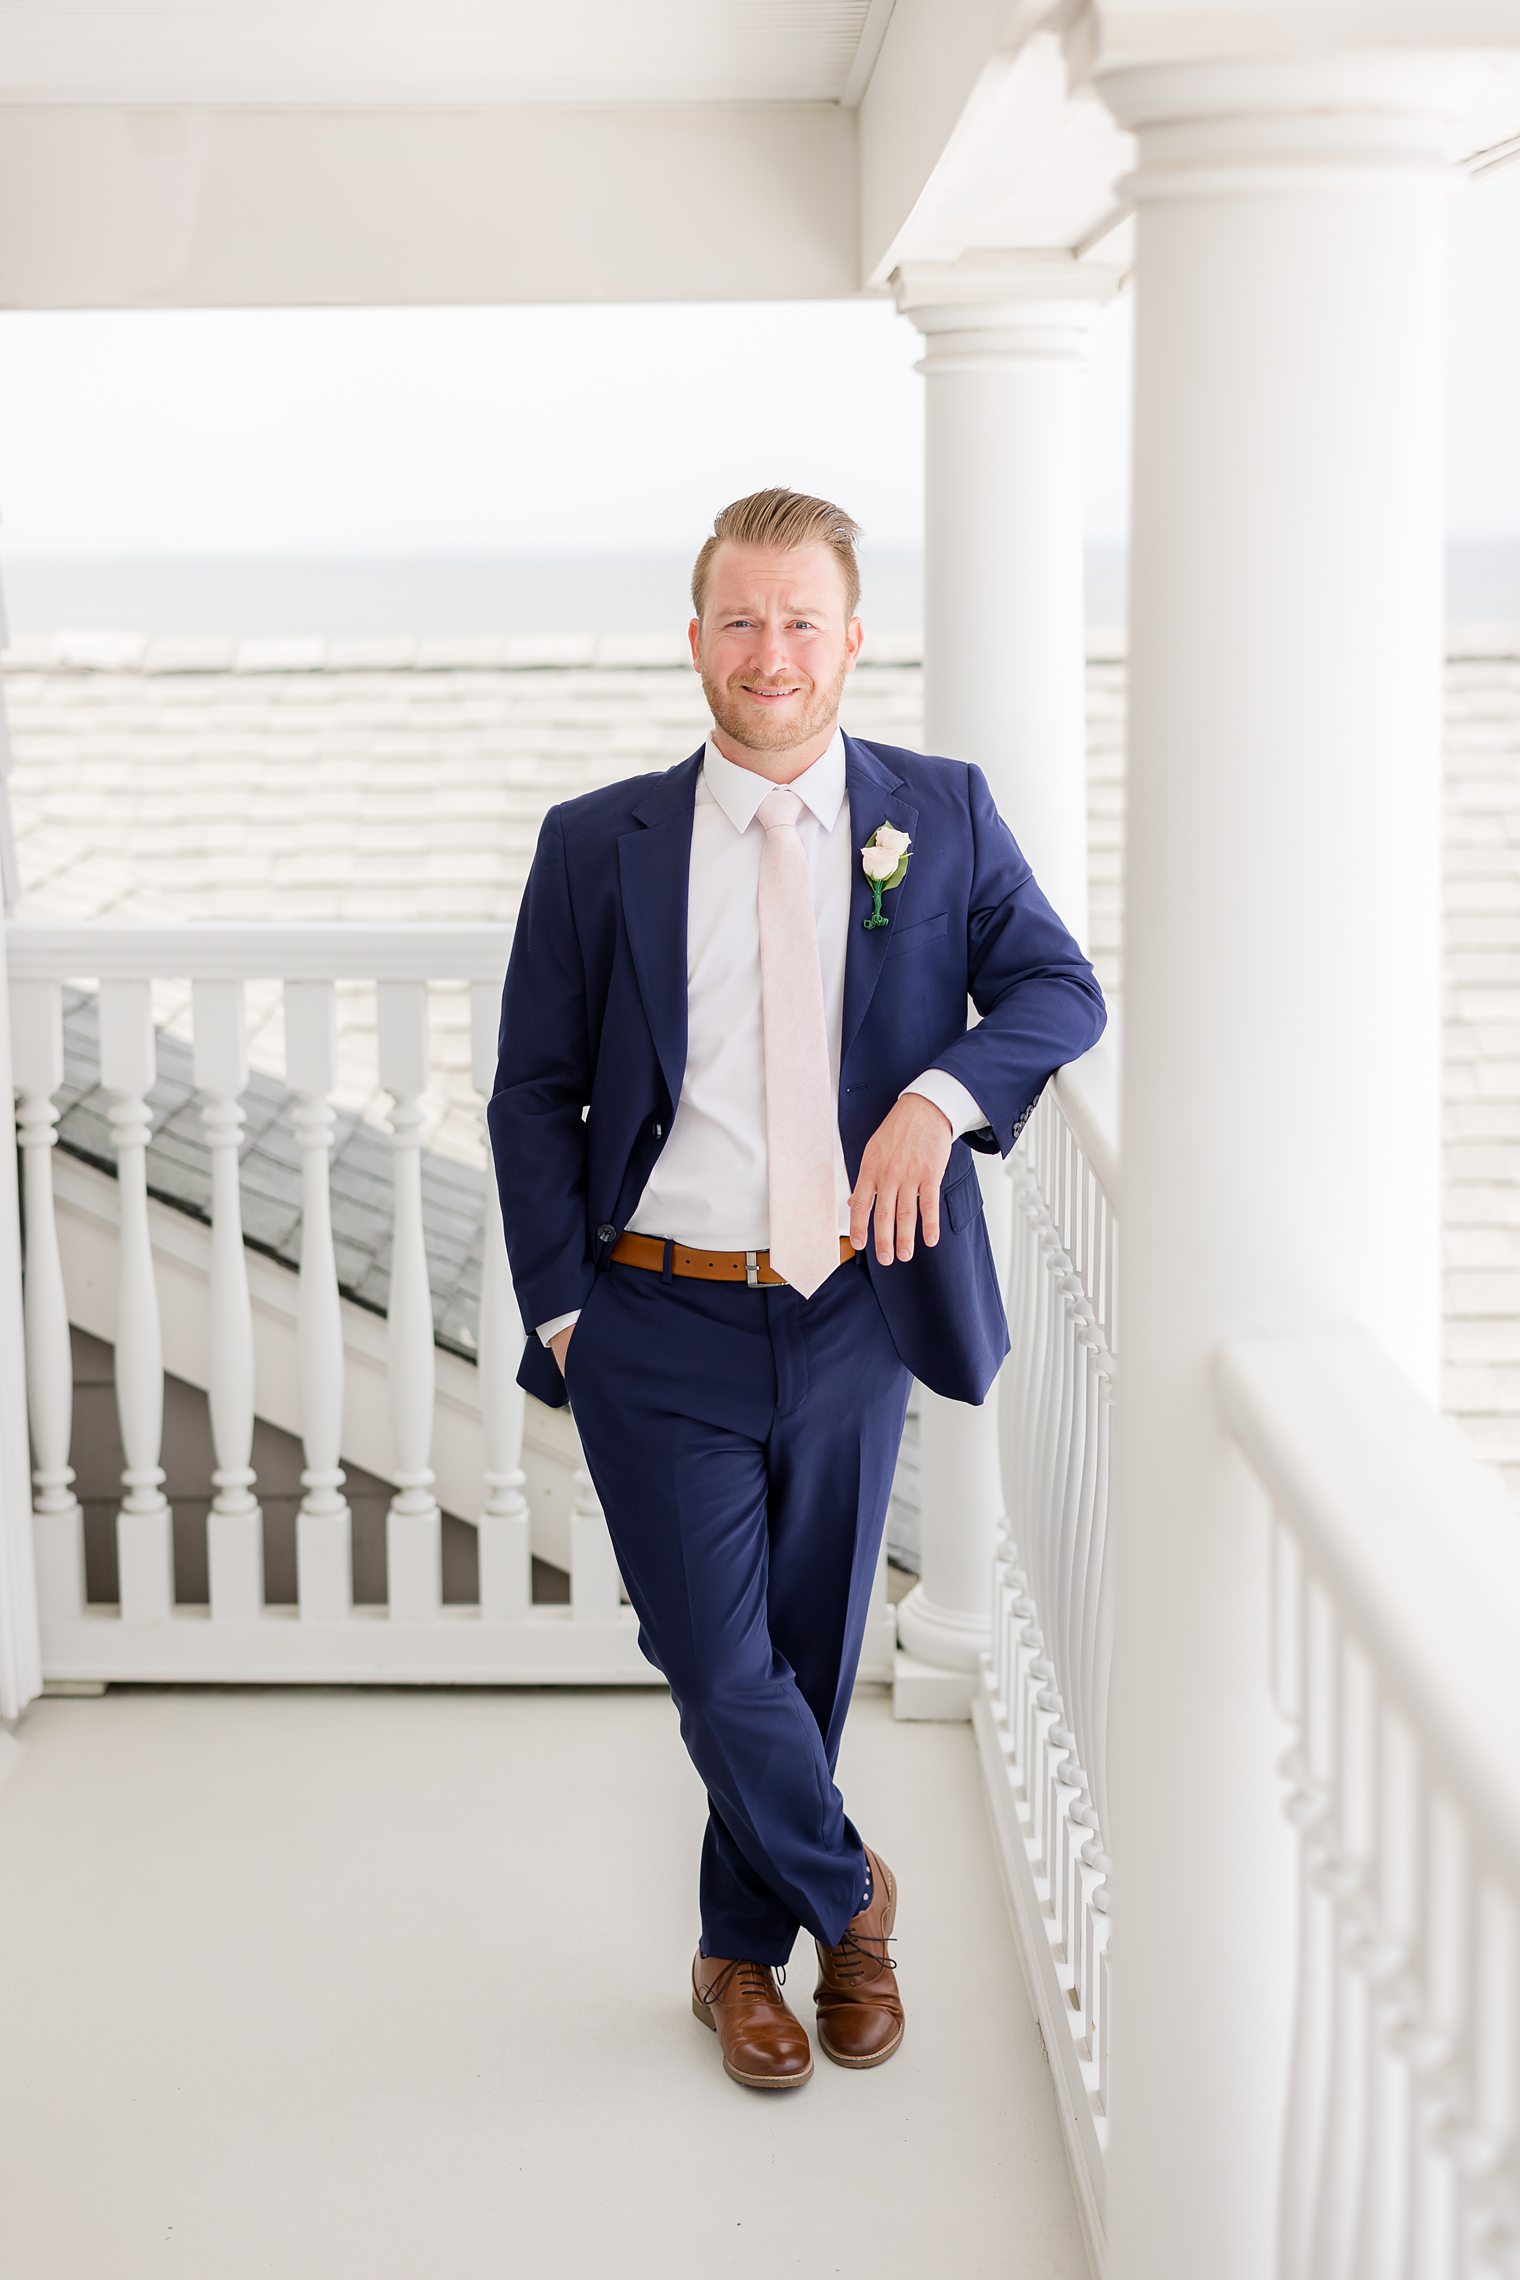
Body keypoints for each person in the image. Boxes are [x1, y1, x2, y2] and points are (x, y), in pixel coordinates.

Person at [488, 486, 1107, 2092]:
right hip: (653, 1314)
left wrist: (937, 1100)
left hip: (850, 1312)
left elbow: (1056, 988)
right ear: (696, 639)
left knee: (812, 1650)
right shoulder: (596, 842)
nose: (773, 654)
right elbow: (530, 1091)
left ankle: (737, 1958)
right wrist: (567, 1309)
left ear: (852, 639)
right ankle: (856, 1896)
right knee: (714, 1654)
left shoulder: (941, 814)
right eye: (742, 621)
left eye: (802, 621)